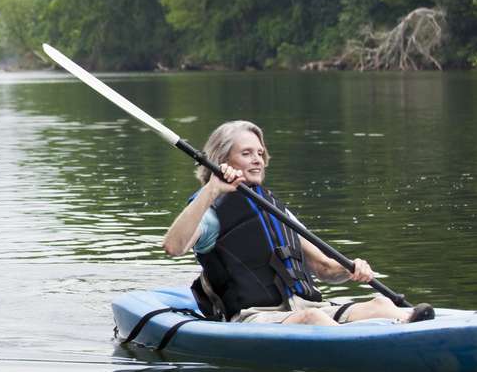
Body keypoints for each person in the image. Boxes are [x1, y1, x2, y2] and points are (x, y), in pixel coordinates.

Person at [162, 120, 432, 325]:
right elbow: (173, 247)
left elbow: (323, 267)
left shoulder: (275, 210)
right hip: (253, 317)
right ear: (222, 160)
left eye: (260, 152)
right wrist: (212, 189)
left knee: (380, 304)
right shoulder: (210, 210)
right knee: (313, 319)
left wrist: (352, 269)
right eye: (246, 153)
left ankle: (414, 330)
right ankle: (362, 350)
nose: (257, 159)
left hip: (301, 306)